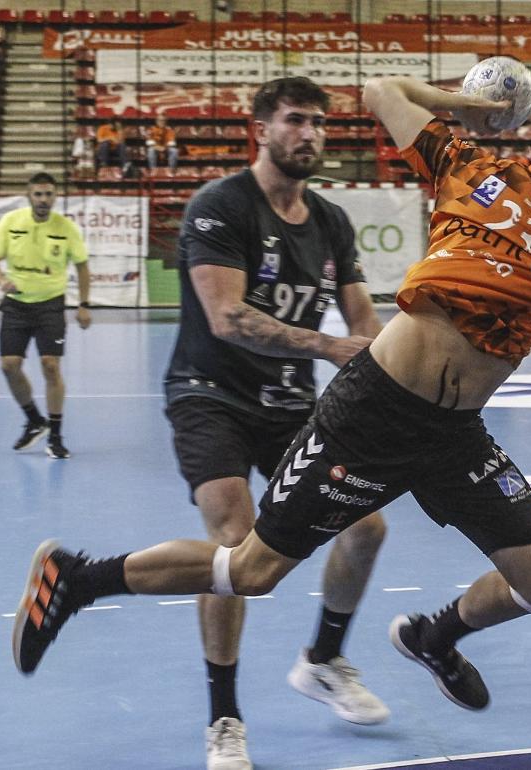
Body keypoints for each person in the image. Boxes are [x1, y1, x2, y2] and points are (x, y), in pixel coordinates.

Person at [12, 74, 531, 739]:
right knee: (252, 570)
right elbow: (382, 92)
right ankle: (77, 579)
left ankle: (435, 637)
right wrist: (471, 107)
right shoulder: (472, 170)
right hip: (373, 412)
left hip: (454, 433)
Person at [161, 77, 390, 770]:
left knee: (366, 526)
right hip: (210, 394)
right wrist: (328, 347)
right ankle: (224, 716)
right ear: (260, 130)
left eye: (319, 122)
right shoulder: (220, 206)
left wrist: (396, 363)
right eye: (295, 120)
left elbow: (362, 318)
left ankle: (323, 659)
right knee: (234, 543)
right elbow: (227, 317)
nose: (309, 133)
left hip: (290, 402)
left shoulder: (330, 220)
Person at [0, 172, 91, 460]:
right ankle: (33, 420)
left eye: (48, 194)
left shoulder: (66, 228)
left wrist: (83, 304)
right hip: (16, 305)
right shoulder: (11, 222)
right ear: (29, 196)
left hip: (50, 305)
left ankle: (55, 436)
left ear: (55, 196)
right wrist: (1, 280)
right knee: (9, 365)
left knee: (50, 366)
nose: (43, 200)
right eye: (38, 194)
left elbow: (82, 266)